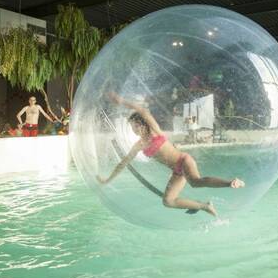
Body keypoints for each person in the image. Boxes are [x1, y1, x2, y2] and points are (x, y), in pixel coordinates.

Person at [97, 92, 245, 217]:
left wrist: (121, 101)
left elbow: (143, 111)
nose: (132, 129)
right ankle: (203, 206)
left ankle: (230, 182)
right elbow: (123, 163)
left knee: (195, 182)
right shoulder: (139, 145)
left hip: (184, 160)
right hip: (176, 171)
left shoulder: (155, 132)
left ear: (140, 124)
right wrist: (107, 180)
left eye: (133, 125)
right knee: (168, 201)